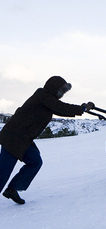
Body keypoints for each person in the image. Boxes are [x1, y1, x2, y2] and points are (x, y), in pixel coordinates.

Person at [0, 76, 94, 204]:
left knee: (35, 161)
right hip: (14, 137)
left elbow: (59, 109)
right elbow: (60, 107)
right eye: (61, 91)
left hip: (24, 138)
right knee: (3, 172)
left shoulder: (48, 100)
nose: (62, 94)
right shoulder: (43, 95)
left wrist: (81, 109)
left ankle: (12, 189)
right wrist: (81, 109)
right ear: (55, 88)